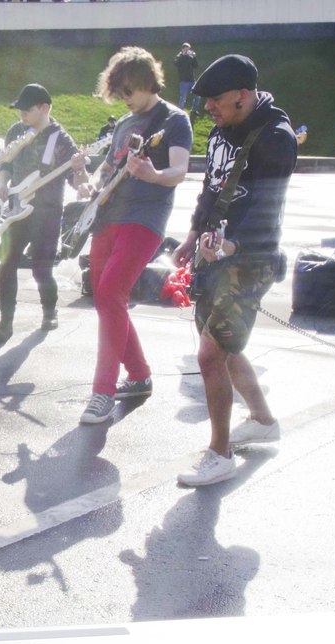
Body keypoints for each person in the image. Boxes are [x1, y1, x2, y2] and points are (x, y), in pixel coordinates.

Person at [170, 54, 297, 486]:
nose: (208, 108)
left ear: (243, 96)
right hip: (213, 257)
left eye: (216, 100)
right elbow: (211, 188)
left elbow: (267, 205)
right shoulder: (222, 131)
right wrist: (192, 236)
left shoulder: (276, 137)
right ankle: (261, 420)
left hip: (250, 261)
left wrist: (232, 243)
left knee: (210, 355)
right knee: (222, 344)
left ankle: (219, 453)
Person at [80, 47, 191, 425]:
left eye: (129, 90)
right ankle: (140, 374)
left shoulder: (174, 119)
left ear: (146, 81)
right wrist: (88, 183)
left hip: (145, 217)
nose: (125, 98)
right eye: (120, 91)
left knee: (111, 292)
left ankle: (102, 392)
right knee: (104, 297)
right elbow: (107, 171)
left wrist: (153, 175)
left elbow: (179, 169)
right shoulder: (125, 125)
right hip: (108, 216)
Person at [0, 83, 89, 344]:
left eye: (27, 109)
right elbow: (7, 163)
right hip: (16, 208)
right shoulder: (16, 130)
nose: (21, 113)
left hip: (47, 212)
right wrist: (2, 182)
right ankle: (5, 321)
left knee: (41, 268)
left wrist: (81, 174)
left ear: (44, 108)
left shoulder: (61, 139)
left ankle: (49, 310)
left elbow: (77, 179)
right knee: (7, 263)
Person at [174, 42, 199, 112]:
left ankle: (194, 110)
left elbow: (196, 66)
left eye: (188, 49)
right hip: (183, 81)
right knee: (183, 98)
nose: (187, 51)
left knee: (197, 96)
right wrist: (182, 55)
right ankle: (180, 112)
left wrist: (194, 57)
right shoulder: (179, 56)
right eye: (186, 49)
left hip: (192, 80)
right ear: (182, 49)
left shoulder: (191, 57)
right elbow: (176, 63)